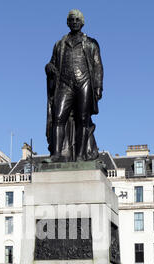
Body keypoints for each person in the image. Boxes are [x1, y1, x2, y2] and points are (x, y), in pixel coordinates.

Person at [45, 9, 103, 162]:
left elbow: (97, 66)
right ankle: (56, 154)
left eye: (78, 20)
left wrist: (98, 87)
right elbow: (52, 62)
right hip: (65, 84)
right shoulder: (60, 44)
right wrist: (49, 67)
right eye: (72, 19)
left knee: (83, 119)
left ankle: (80, 155)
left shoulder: (91, 43)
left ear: (82, 22)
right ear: (68, 22)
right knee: (58, 117)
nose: (75, 22)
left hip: (84, 82)